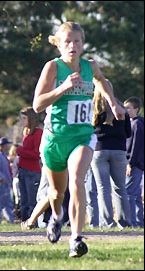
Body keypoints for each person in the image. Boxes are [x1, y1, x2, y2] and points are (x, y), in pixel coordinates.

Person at [31, 22, 126, 257]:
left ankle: (75, 238)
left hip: (82, 136)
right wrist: (63, 87)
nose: (72, 46)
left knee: (77, 180)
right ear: (59, 45)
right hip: (55, 139)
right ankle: (56, 216)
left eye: (77, 41)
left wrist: (112, 101)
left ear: (83, 44)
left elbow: (101, 80)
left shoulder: (89, 66)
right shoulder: (53, 67)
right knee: (56, 194)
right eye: (67, 42)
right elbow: (37, 104)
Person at [91, 82, 132, 229]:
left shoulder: (92, 108)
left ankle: (107, 222)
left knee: (103, 189)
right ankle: (124, 222)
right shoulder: (121, 109)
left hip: (99, 150)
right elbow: (128, 133)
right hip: (119, 151)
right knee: (120, 188)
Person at [17, 107, 43, 224]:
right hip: (23, 170)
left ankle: (33, 223)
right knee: (23, 200)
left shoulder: (37, 133)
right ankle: (24, 221)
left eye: (24, 118)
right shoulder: (26, 133)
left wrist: (20, 151)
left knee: (32, 201)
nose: (22, 121)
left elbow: (36, 154)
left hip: (32, 172)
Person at [124, 96, 144, 228]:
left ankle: (132, 222)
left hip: (135, 163)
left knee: (129, 192)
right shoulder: (134, 123)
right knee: (135, 193)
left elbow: (136, 145)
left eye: (128, 108)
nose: (126, 111)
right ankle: (139, 221)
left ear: (136, 109)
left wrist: (130, 162)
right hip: (136, 163)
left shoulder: (136, 124)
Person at [8, 144, 21, 221]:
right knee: (17, 197)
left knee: (16, 196)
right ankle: (16, 214)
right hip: (16, 178)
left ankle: (16, 214)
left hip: (13, 178)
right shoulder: (13, 158)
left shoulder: (10, 158)